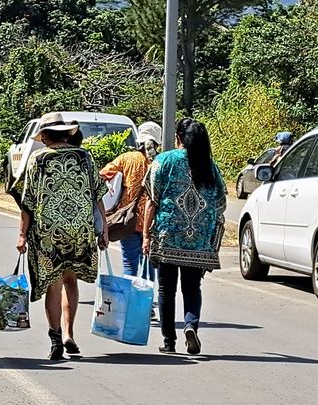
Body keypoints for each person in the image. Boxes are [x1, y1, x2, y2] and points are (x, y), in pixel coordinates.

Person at [17, 112, 109, 360]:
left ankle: (55, 338)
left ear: (45, 135)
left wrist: (22, 235)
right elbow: (97, 194)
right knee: (71, 281)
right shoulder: (84, 156)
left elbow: (28, 201)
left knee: (53, 286)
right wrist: (105, 227)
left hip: (48, 233)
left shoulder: (39, 159)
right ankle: (69, 334)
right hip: (81, 230)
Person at [142, 118, 226, 355]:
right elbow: (220, 202)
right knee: (192, 287)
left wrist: (147, 235)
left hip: (168, 234)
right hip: (198, 238)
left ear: (178, 137)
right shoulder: (209, 165)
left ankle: (169, 341)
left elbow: (152, 200)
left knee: (166, 290)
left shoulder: (164, 161)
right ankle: (191, 325)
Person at [100, 122, 162, 277]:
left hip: (129, 219)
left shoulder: (126, 158)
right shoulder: (161, 161)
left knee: (129, 263)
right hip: (154, 221)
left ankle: (130, 299)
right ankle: (145, 300)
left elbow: (102, 175)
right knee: (149, 265)